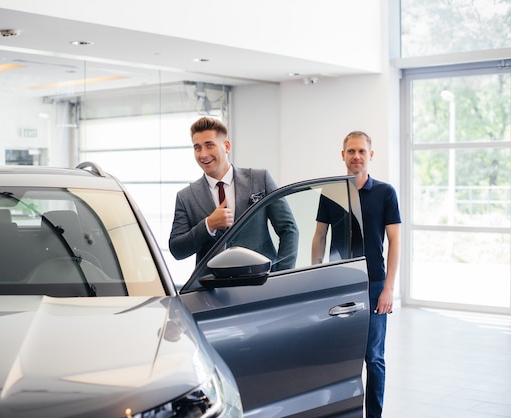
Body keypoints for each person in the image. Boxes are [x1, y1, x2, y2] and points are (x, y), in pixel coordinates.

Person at [311, 131, 400, 418]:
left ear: (370, 155)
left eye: (361, 151)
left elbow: (395, 242)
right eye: (351, 151)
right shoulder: (331, 192)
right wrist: (316, 277)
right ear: (343, 155)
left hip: (373, 285)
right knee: (338, 357)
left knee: (373, 358)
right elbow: (319, 237)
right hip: (339, 286)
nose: (356, 156)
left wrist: (388, 288)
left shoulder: (386, 193)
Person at [169, 116, 298, 270]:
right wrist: (208, 225)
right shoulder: (186, 197)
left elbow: (289, 229)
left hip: (262, 284)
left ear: (227, 146)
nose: (203, 154)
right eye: (197, 147)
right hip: (211, 289)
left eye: (209, 145)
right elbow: (177, 249)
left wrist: (281, 274)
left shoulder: (260, 179)